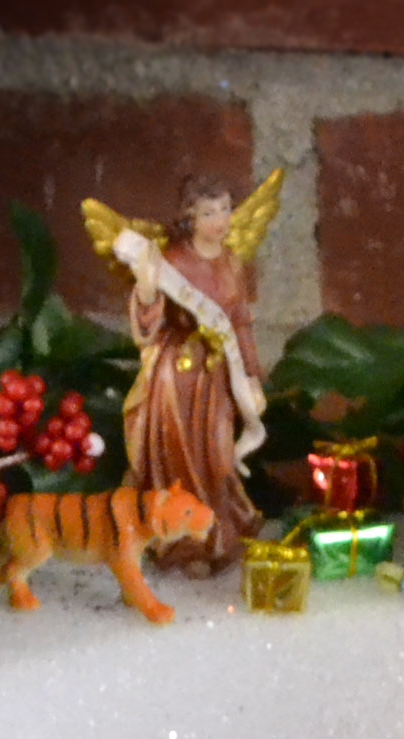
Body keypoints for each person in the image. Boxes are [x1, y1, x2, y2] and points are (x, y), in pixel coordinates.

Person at [102, 168, 282, 574]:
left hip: (217, 374)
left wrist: (251, 377)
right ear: (189, 217)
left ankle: (219, 531)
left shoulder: (230, 261)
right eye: (208, 213)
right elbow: (149, 322)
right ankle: (184, 543)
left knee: (218, 455)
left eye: (225, 209)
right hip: (176, 377)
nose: (220, 221)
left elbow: (239, 321)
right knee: (178, 458)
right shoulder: (171, 260)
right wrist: (147, 287)